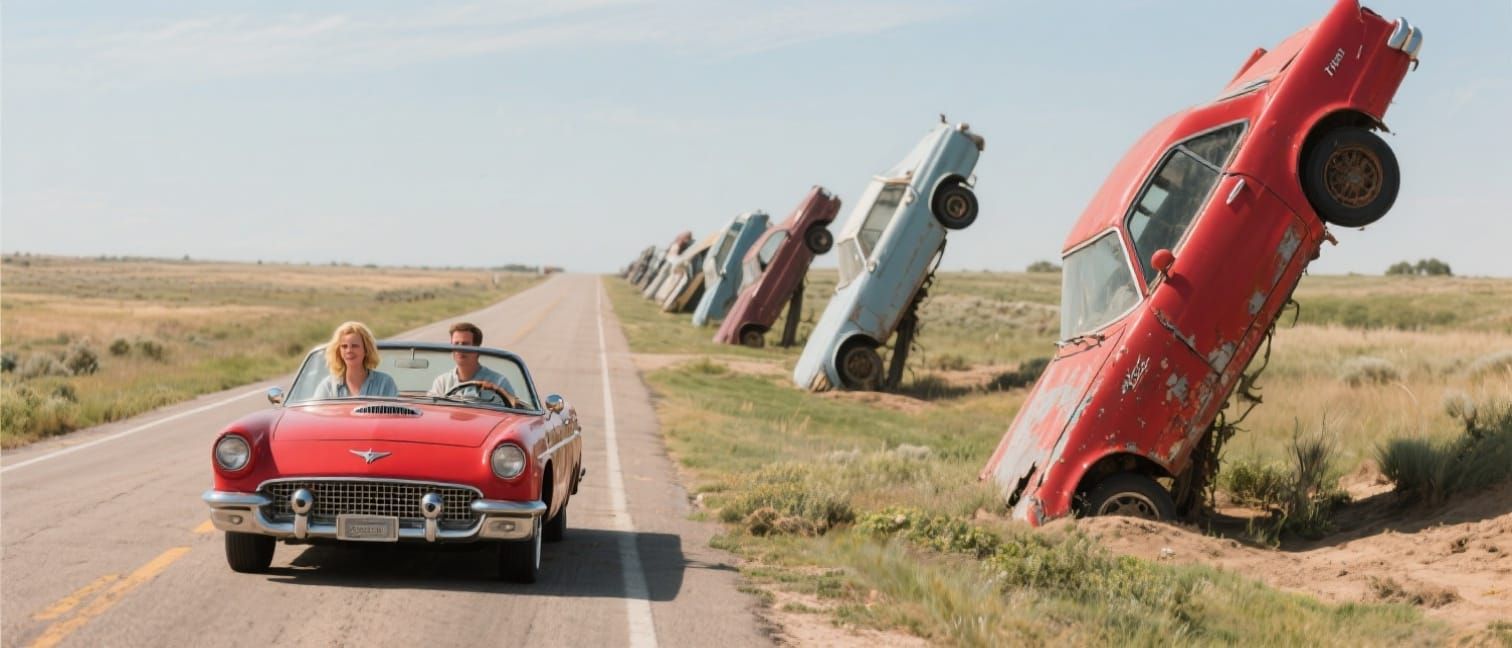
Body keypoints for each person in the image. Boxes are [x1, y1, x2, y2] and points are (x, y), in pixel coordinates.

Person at [429, 322, 518, 405]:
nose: (459, 349)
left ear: (477, 349)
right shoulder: (441, 383)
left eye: (465, 344)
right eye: (456, 344)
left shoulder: (499, 382)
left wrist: (497, 390)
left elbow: (515, 409)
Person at [312, 321, 398, 398]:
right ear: (339, 351)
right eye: (344, 346)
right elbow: (316, 415)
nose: (349, 351)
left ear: (366, 349)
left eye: (355, 346)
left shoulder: (385, 383)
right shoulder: (327, 387)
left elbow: (390, 415)